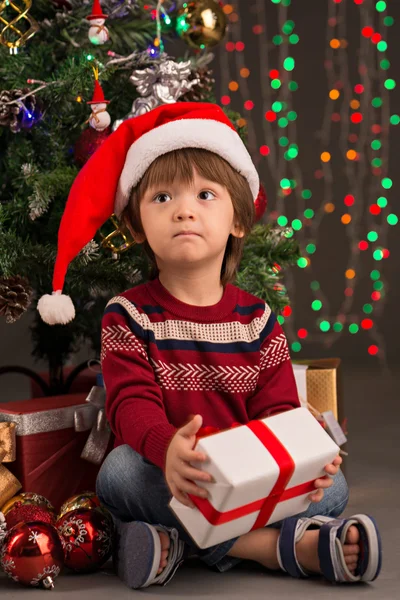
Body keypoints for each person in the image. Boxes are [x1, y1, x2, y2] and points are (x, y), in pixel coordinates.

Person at [37, 102, 381, 589]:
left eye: (204, 194)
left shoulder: (258, 320)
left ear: (238, 218)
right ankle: (277, 548)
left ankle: (174, 546)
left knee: (334, 485)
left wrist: (305, 460)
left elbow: (280, 411)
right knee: (119, 474)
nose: (184, 210)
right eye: (161, 198)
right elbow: (130, 405)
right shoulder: (129, 315)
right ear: (135, 224)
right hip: (175, 472)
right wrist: (168, 449)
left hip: (246, 476)